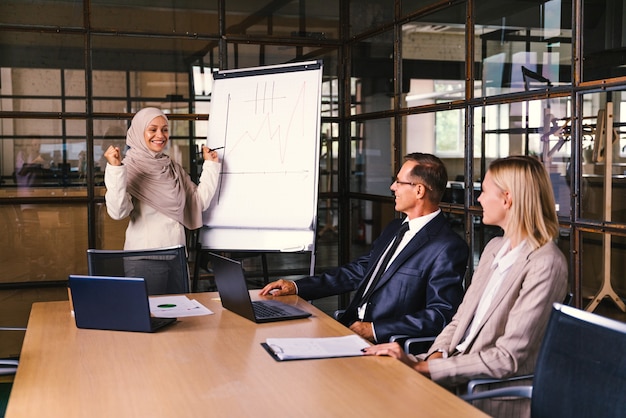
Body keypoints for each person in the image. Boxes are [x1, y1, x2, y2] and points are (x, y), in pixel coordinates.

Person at [363, 155, 568, 418]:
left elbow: (507, 358)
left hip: (485, 392)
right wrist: (434, 356)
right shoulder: (495, 248)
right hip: (451, 375)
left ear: (507, 199)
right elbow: (460, 319)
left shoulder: (546, 263)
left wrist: (427, 370)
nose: (478, 200)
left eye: (483, 191)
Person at [260, 152, 469, 343]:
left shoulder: (447, 246)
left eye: (398, 182)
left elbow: (442, 314)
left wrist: (375, 329)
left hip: (383, 343)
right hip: (348, 329)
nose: (392, 187)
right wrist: (297, 287)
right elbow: (359, 271)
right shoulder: (395, 228)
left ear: (419, 190)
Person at [104, 107, 221, 294]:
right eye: (153, 129)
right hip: (145, 258)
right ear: (139, 131)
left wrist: (211, 166)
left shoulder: (171, 166)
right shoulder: (129, 167)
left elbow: (198, 203)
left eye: (165, 129)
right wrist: (115, 169)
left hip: (177, 255)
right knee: (150, 318)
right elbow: (118, 212)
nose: (160, 135)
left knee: (182, 318)